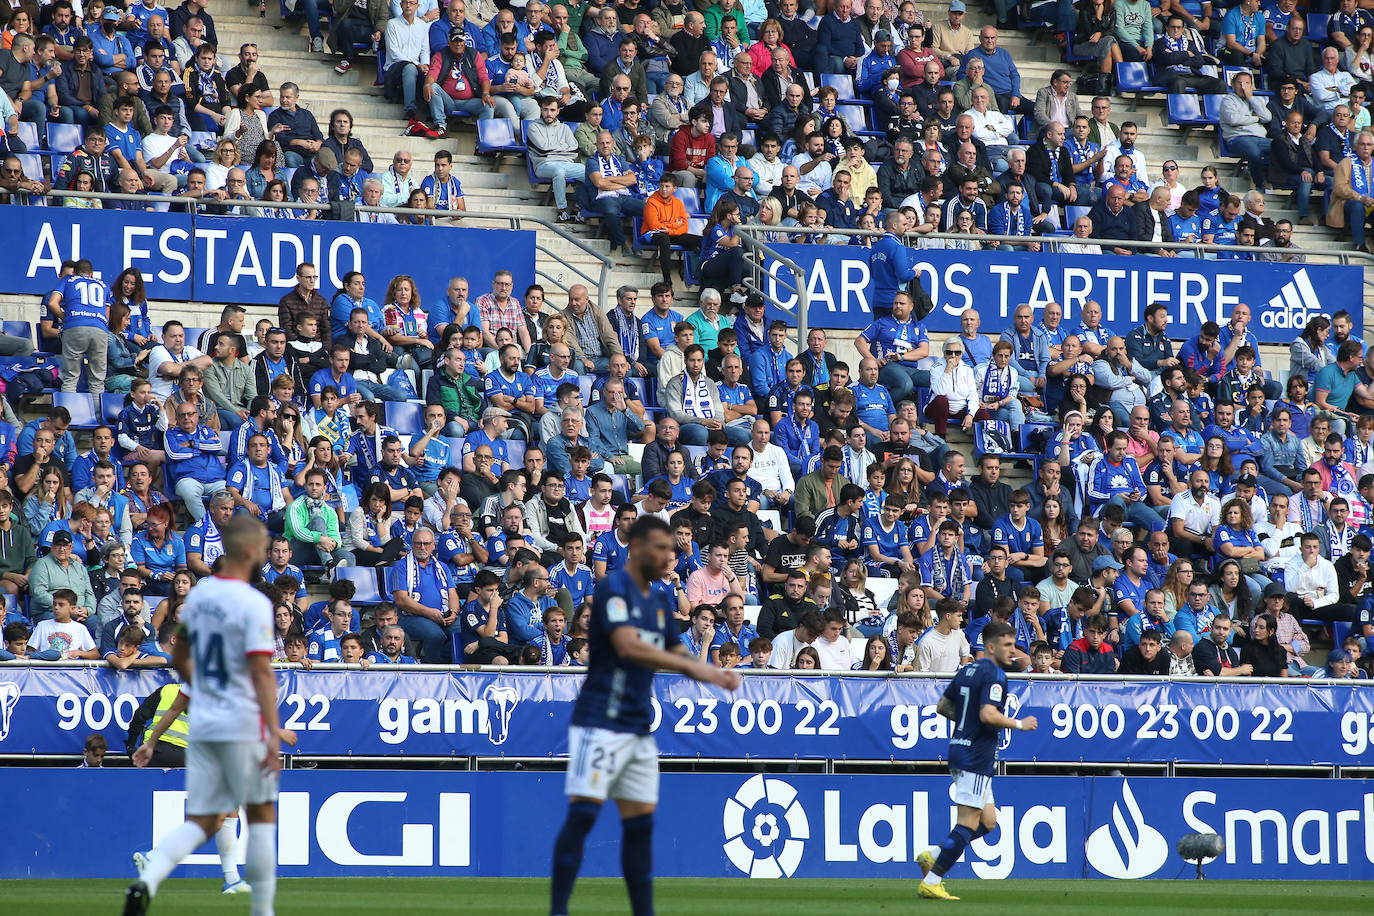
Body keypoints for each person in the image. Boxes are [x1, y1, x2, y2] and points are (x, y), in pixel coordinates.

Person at [549, 516, 739, 916]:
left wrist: (709, 664)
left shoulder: (658, 602)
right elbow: (627, 644)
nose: (669, 555)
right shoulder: (614, 588)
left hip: (637, 726)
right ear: (636, 547)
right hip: (600, 719)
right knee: (584, 816)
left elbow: (678, 653)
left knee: (639, 829)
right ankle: (559, 910)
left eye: (671, 549)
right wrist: (703, 671)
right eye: (660, 547)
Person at [124, 515, 283, 916]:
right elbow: (262, 672)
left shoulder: (201, 604)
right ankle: (256, 903)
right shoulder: (251, 606)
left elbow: (181, 685)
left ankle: (161, 876)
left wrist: (151, 740)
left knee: (214, 816)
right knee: (256, 812)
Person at [915, 620, 1035, 900]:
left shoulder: (967, 669)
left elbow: (943, 707)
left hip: (960, 748)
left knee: (989, 821)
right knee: (968, 823)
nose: (1012, 650)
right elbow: (988, 715)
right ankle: (932, 880)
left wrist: (966, 722)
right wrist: (1019, 724)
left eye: (1013, 644)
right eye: (1006, 645)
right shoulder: (995, 675)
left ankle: (932, 854)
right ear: (990, 647)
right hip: (976, 755)